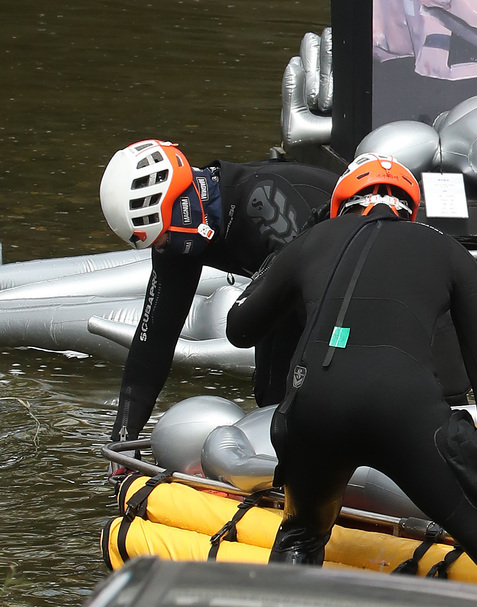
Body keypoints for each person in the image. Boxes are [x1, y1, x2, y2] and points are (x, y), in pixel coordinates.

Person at [224, 153, 477, 591]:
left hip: (314, 411)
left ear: (342, 203)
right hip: (405, 411)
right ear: (410, 210)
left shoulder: (310, 241)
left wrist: (279, 263)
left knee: (301, 535)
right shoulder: (451, 252)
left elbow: (239, 329)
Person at [101, 140, 338, 446]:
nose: (165, 248)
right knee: (269, 394)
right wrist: (123, 440)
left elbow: (317, 302)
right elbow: (154, 340)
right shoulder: (180, 232)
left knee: (293, 394)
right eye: (156, 243)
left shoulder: (262, 201)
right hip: (288, 284)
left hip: (349, 273)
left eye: (165, 237)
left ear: (180, 204)